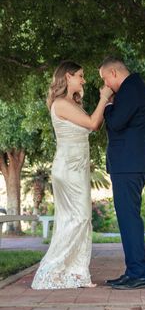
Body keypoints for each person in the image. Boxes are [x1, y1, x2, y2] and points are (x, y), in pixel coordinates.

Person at [31, 61, 113, 290]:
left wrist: (105, 102)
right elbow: (93, 124)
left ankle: (75, 273)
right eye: (80, 75)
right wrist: (104, 98)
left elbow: (91, 123)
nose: (83, 80)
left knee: (76, 219)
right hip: (67, 169)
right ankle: (51, 270)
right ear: (67, 77)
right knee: (80, 218)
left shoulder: (72, 103)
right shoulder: (60, 104)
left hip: (77, 168)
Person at [99, 56, 145, 290]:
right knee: (128, 218)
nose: (105, 85)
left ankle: (138, 273)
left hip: (129, 166)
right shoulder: (134, 89)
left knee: (129, 219)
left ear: (113, 73)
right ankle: (134, 270)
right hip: (130, 164)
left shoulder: (130, 90)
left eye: (105, 79)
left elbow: (115, 123)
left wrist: (108, 103)